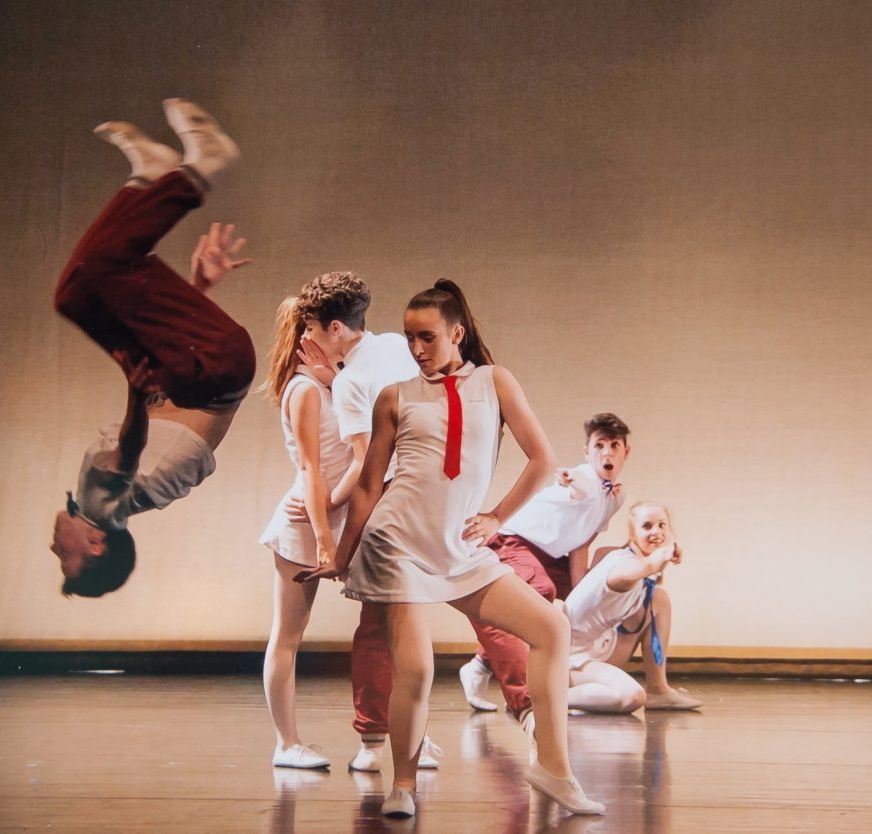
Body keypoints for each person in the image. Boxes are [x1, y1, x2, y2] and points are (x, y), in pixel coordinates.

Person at [296, 280, 605, 818]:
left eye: (427, 338)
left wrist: (496, 518)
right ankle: (404, 784)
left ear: (456, 333)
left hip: (459, 547)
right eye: (410, 338)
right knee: (416, 668)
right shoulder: (396, 396)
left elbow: (540, 459)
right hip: (399, 543)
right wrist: (340, 554)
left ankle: (554, 770)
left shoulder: (494, 382)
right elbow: (370, 485)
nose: (415, 349)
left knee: (552, 628)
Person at [50, 99, 255, 597]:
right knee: (106, 267)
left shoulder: (135, 497)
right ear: (95, 545)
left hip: (205, 369)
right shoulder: (102, 510)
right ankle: (200, 167)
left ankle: (147, 176)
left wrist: (196, 292)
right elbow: (130, 447)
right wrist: (134, 398)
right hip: (213, 371)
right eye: (67, 563)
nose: (56, 551)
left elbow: (171, 399)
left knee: (75, 295)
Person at [289, 273, 443, 772]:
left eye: (311, 327)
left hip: (395, 503)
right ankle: (395, 735)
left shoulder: (352, 382)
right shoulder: (399, 346)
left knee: (381, 623)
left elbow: (363, 464)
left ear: (334, 327)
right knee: (404, 620)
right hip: (433, 493)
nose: (305, 338)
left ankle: (377, 739)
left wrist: (326, 512)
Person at [459, 414, 631, 725]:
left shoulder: (615, 499)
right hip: (513, 542)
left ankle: (482, 663)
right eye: (599, 445)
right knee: (540, 593)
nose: (606, 453)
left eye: (614, 445)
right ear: (587, 452)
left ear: (625, 452)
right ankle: (508, 687)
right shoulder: (587, 480)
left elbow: (581, 544)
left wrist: (581, 592)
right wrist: (567, 478)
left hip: (552, 556)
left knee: (594, 589)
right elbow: (577, 484)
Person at [258, 297, 352, 769]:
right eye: (323, 330)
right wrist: (323, 538)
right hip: (308, 520)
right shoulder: (304, 391)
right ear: (304, 338)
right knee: (289, 634)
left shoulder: (326, 386)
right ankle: (287, 743)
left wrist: (334, 377)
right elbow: (313, 470)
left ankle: (400, 732)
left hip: (340, 515)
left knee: (387, 627)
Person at [564, 502, 702, 712]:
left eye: (662, 525)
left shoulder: (642, 570)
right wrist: (664, 555)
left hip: (599, 648)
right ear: (632, 533)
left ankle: (658, 690)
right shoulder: (622, 564)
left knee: (658, 599)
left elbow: (648, 570)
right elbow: (643, 567)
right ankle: (542, 697)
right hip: (570, 661)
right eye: (647, 526)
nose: (656, 531)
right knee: (632, 696)